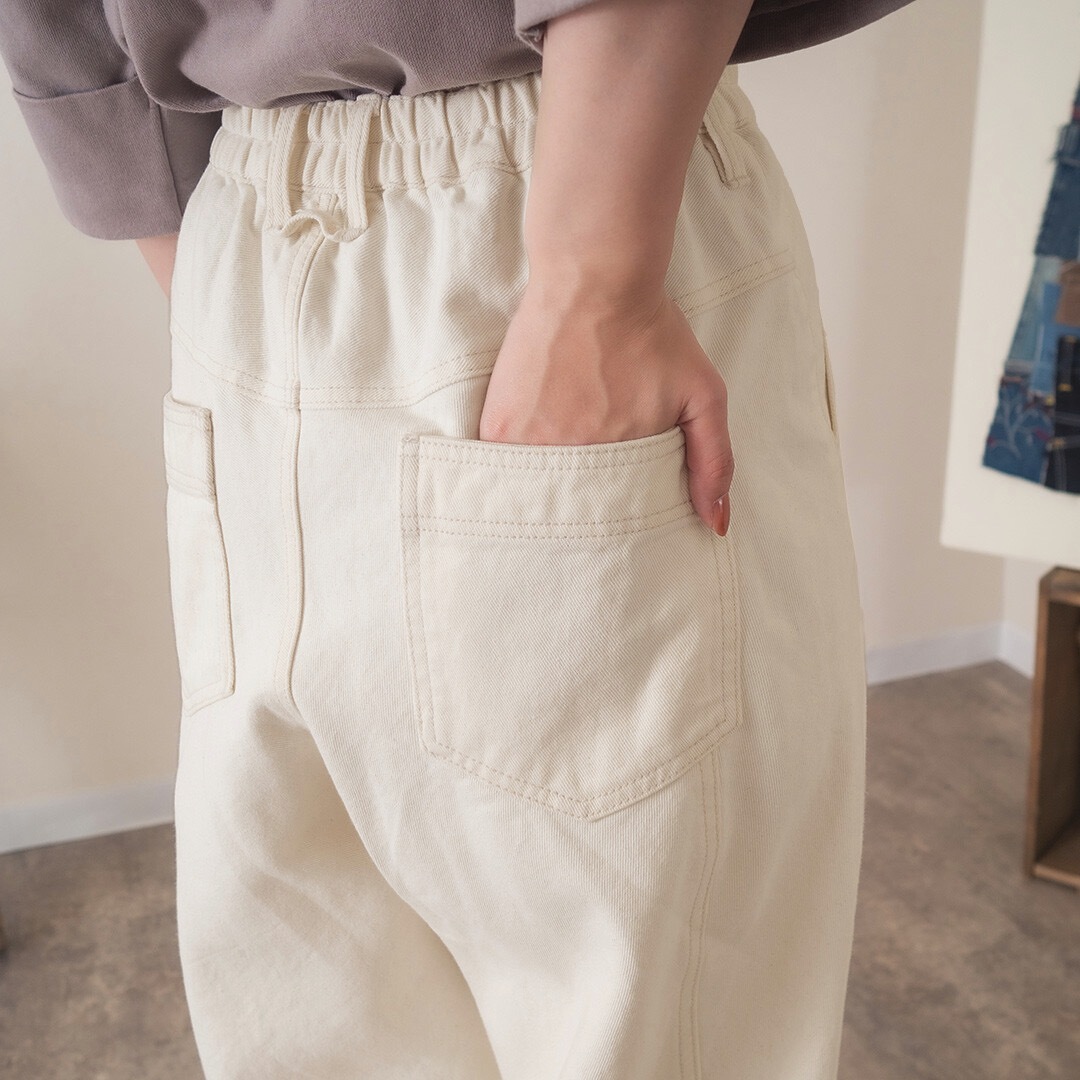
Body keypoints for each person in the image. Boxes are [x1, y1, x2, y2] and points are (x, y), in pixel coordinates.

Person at [0, 1, 916, 1077]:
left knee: (325, 1001)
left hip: (249, 240)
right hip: (546, 204)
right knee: (660, 1023)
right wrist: (594, 282)